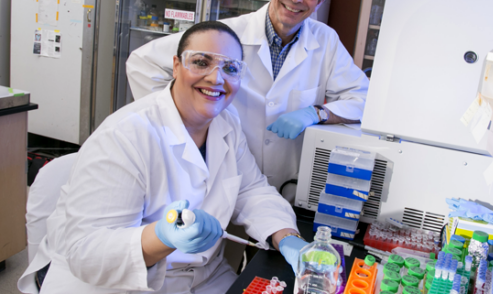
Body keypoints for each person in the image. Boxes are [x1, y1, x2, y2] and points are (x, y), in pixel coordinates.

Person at [18, 21, 307, 294]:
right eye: (201, 62)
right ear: (177, 66)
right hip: (124, 283)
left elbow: (251, 190)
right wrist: (162, 237)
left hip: (204, 277)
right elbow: (87, 253)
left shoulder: (226, 123)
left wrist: (287, 237)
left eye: (230, 67)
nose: (216, 77)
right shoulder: (125, 136)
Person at [127, 0, 369, 197]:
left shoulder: (326, 41)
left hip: (288, 187)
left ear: (320, 1)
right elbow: (143, 62)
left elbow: (363, 100)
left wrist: (315, 113)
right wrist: (181, 123)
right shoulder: (228, 34)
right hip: (223, 176)